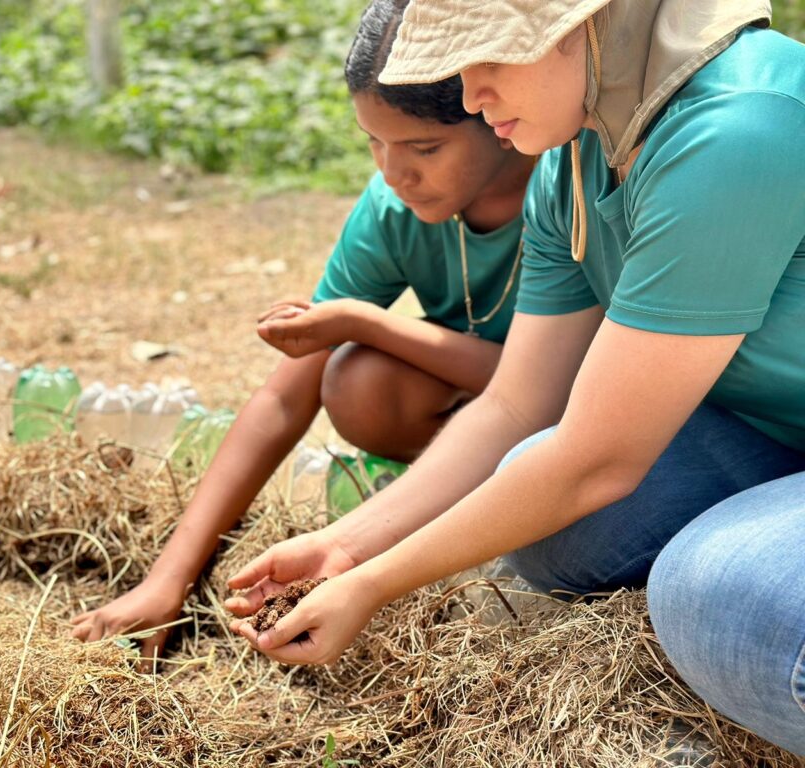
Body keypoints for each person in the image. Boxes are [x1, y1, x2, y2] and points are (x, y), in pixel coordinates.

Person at [227, 0, 805, 756]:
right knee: (544, 518)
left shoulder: (736, 128)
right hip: (771, 424)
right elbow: (514, 403)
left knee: (714, 597)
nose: (470, 96)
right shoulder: (575, 158)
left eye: (491, 58)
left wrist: (373, 586)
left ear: (587, 27)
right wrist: (346, 547)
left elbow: (598, 459)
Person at [69, 0, 535, 655]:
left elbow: (553, 386)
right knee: (356, 382)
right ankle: (452, 494)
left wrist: (367, 322)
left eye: (424, 147)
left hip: (573, 418)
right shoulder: (391, 210)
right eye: (374, 142)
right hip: (480, 410)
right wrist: (166, 580)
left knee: (365, 351)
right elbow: (284, 397)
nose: (393, 173)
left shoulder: (568, 192)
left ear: (498, 112)